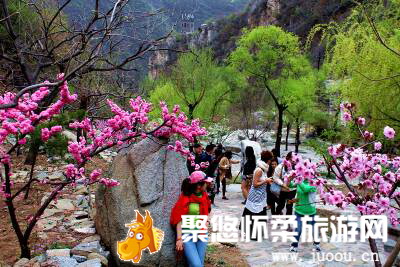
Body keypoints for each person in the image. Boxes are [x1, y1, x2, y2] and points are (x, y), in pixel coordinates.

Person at [170, 171, 213, 267]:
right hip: (188, 235)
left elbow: (209, 210)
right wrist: (179, 239)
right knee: (197, 265)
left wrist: (207, 220)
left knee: (198, 264)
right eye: (205, 182)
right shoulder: (185, 198)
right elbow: (178, 219)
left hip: (202, 234)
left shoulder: (204, 195)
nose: (207, 184)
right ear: (198, 185)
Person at [242, 150, 274, 240]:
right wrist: (266, 181)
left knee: (260, 212)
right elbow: (255, 184)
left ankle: (257, 232)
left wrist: (267, 180)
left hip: (261, 195)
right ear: (268, 160)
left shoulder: (264, 169)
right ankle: (252, 233)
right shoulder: (259, 170)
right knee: (254, 213)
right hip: (255, 195)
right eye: (270, 160)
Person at [288, 177, 321, 253]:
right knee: (298, 229)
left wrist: (298, 181)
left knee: (313, 230)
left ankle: (317, 244)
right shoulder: (300, 181)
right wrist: (289, 178)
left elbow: (305, 189)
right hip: (299, 210)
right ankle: (294, 245)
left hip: (310, 212)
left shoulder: (314, 182)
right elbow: (290, 185)